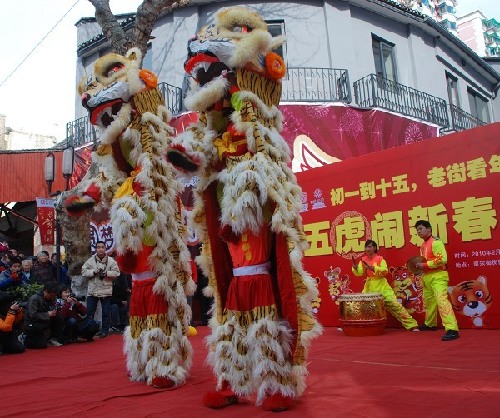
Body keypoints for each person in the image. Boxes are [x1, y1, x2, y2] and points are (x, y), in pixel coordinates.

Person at [352, 240, 419, 331]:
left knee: (394, 305)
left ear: (375, 248)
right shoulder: (363, 260)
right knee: (362, 307)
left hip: (381, 285)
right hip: (370, 286)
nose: (368, 249)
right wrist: (355, 268)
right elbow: (359, 273)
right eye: (366, 247)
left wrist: (374, 268)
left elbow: (385, 271)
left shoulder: (380, 259)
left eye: (370, 247)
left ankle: (412, 325)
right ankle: (356, 326)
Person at [414, 220, 459, 341]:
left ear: (429, 229)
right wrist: (420, 269)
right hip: (427, 276)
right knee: (429, 301)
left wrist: (426, 265)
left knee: (441, 300)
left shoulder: (436, 242)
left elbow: (442, 259)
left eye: (421, 229)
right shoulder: (423, 245)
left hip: (438, 275)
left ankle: (452, 329)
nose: (418, 232)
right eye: (417, 230)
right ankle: (430, 324)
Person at [81, 241, 120, 338]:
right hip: (93, 290)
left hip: (105, 289)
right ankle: (89, 331)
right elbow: (83, 271)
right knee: (90, 312)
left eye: (102, 247)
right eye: (98, 247)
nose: (100, 249)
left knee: (106, 312)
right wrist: (94, 271)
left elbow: (117, 273)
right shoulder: (90, 260)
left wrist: (107, 273)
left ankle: (104, 331)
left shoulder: (111, 261)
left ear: (105, 249)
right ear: (96, 249)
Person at [23, 281, 65, 348]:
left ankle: (53, 338)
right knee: (41, 345)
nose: (53, 297)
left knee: (59, 318)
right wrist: (47, 314)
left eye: (54, 296)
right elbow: (33, 316)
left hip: (45, 320)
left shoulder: (52, 298)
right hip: (33, 323)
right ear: (46, 291)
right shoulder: (34, 298)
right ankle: (24, 337)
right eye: (51, 295)